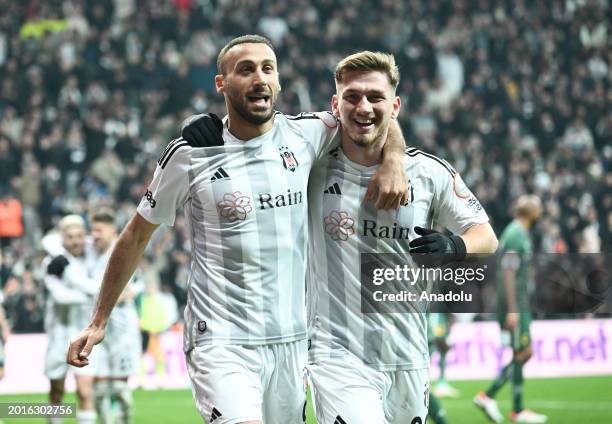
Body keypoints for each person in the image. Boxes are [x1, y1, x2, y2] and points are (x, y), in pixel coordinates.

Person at [68, 35, 407, 424]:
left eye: (267, 68)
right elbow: (136, 235)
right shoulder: (190, 153)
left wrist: (394, 158)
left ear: (279, 81)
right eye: (245, 70)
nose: (259, 78)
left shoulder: (307, 134)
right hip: (221, 340)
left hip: (290, 342)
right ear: (221, 83)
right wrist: (99, 320)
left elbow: (374, 117)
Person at [305, 51, 498, 423]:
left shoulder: (428, 172)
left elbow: (486, 236)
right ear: (335, 104)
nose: (363, 106)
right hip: (337, 354)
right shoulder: (311, 165)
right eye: (352, 97)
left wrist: (454, 246)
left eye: (375, 97)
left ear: (395, 105)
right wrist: (209, 129)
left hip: (407, 354)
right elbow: (259, 131)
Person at [474, 195, 548, 423]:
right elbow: (508, 272)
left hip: (519, 304)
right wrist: (514, 310)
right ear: (532, 211)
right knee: (522, 353)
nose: (542, 211)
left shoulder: (518, 232)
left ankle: (495, 399)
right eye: (539, 207)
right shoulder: (516, 234)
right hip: (515, 305)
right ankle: (507, 405)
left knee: (524, 352)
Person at [88, 209, 141, 424]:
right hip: (97, 326)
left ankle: (124, 420)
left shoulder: (122, 253)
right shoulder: (89, 253)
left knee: (120, 389)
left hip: (122, 328)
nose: (95, 235)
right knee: (99, 390)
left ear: (112, 231)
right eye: (92, 230)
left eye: (99, 230)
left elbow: (125, 293)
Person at [44, 215, 98, 424]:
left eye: (79, 236)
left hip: (84, 333)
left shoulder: (92, 260)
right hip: (58, 334)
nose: (75, 241)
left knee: (85, 391)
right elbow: (60, 297)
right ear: (62, 239)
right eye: (70, 237)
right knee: (57, 392)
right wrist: (93, 294)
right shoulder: (51, 262)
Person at [429, 313, 460, 398]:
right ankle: (427, 383)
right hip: (431, 332)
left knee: (442, 355)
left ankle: (442, 383)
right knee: (428, 357)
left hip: (440, 330)